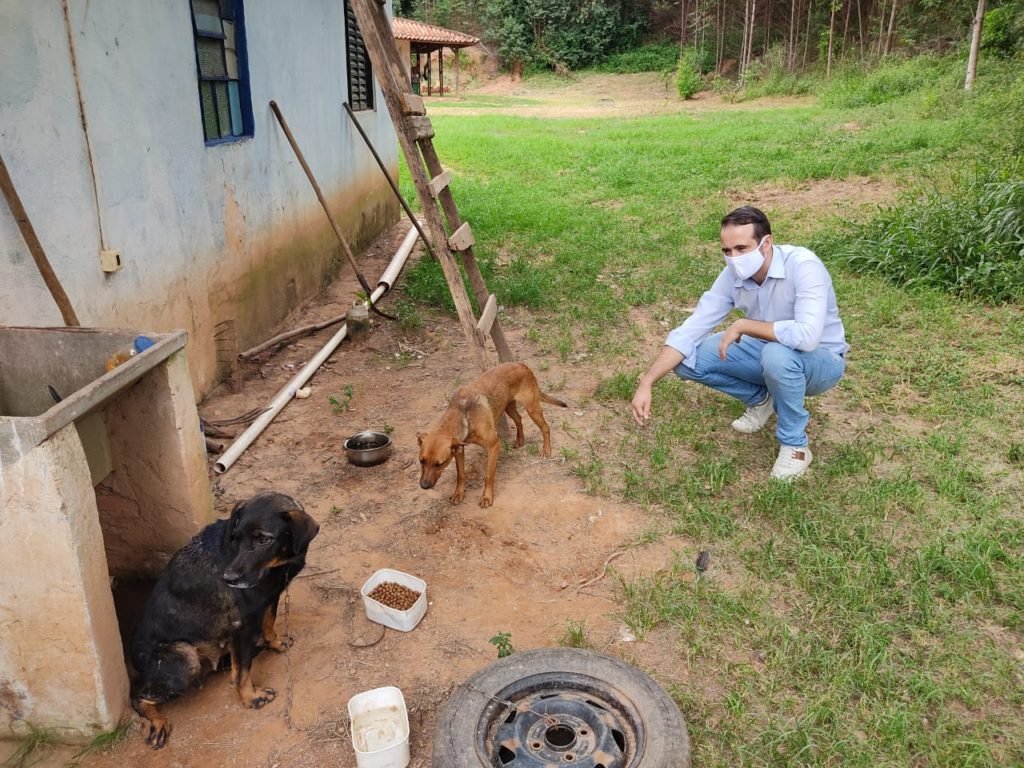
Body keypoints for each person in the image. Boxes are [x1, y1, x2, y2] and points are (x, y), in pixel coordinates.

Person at [631, 206, 848, 479]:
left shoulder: (804, 266)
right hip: (767, 350)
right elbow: (692, 328)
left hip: (821, 360)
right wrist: (647, 381)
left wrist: (744, 325)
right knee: (690, 360)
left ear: (766, 243)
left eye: (741, 248)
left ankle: (795, 445)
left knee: (777, 356)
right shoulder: (732, 275)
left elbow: (807, 336)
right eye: (726, 251)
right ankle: (763, 399)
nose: (733, 258)